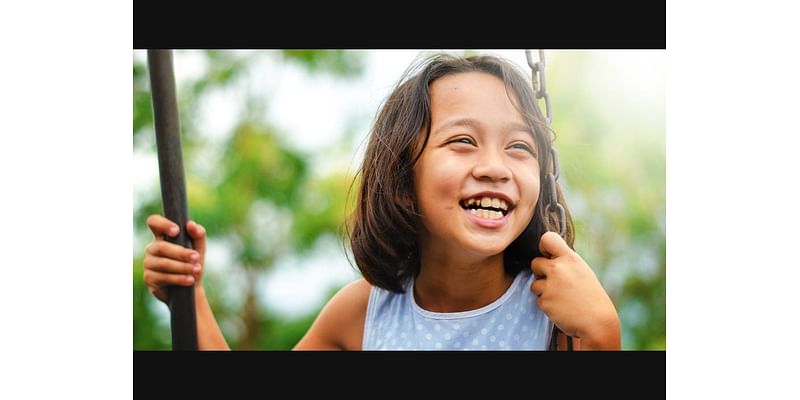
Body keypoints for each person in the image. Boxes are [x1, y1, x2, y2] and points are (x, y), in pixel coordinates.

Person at [142, 53, 621, 350]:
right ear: (402, 176)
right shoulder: (363, 314)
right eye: (462, 141)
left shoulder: (558, 314)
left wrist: (602, 336)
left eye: (519, 147)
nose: (495, 166)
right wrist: (192, 296)